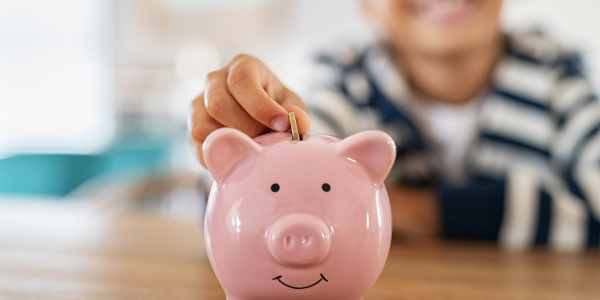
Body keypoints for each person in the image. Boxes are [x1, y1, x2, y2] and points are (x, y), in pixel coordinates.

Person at [189, 0, 600, 251]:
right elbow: (271, 208)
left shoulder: (556, 74)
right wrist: (256, 146)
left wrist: (424, 213)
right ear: (365, 3)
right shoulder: (342, 75)